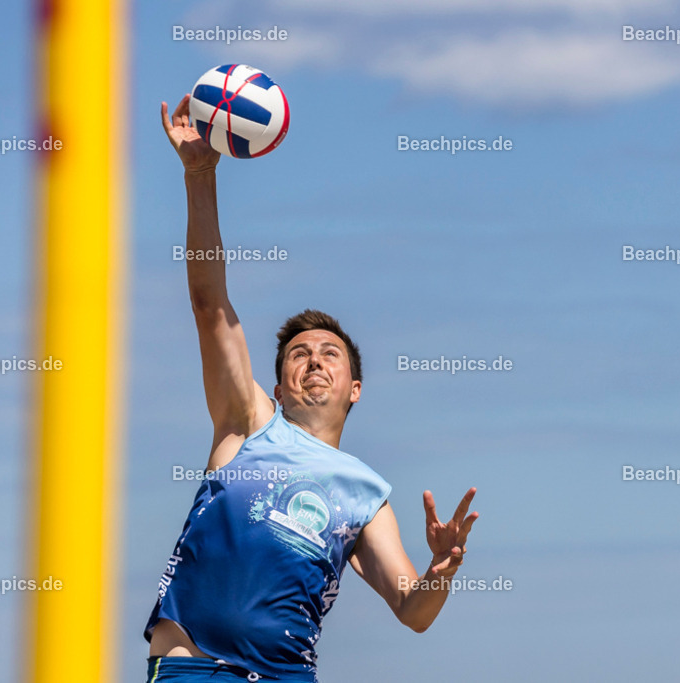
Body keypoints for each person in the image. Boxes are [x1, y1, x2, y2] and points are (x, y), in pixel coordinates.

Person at [144, 95, 479, 682]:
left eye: (331, 354)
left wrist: (441, 571)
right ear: (279, 385)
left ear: (356, 388)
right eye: (299, 354)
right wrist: (200, 175)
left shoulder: (365, 492)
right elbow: (209, 305)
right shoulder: (248, 422)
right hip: (195, 670)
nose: (315, 360)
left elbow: (413, 610)